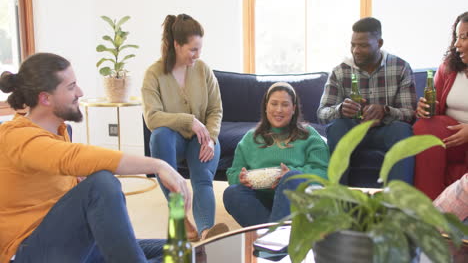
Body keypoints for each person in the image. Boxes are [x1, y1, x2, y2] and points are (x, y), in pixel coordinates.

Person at [0, 53, 192, 263]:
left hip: (75, 244)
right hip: (31, 252)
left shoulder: (59, 130)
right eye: (71, 87)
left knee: (181, 254)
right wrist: (159, 165)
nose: (80, 92)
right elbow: (74, 158)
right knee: (102, 183)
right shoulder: (16, 136)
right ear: (45, 98)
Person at [141, 14, 226, 241]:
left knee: (201, 177)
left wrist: (210, 138)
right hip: (173, 141)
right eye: (192, 49)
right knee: (159, 137)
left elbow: (215, 110)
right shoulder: (154, 74)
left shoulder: (203, 70)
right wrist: (189, 121)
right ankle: (179, 217)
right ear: (177, 45)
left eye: (199, 49)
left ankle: (206, 231)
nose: (197, 55)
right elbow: (152, 117)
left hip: (203, 139)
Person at [317, 17, 417, 185]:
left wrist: (385, 111)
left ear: (379, 43)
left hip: (385, 130)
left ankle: (397, 205)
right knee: (337, 127)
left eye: (363, 45)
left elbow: (410, 114)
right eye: (353, 44)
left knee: (402, 130)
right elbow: (322, 113)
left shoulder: (400, 68)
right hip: (351, 131)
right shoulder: (339, 71)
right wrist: (340, 110)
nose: (356, 50)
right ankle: (338, 203)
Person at [223, 82, 329, 227]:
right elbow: (233, 172)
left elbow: (323, 173)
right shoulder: (250, 138)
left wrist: (293, 174)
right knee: (231, 193)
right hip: (261, 202)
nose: (279, 110)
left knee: (290, 177)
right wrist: (240, 178)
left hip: (298, 200)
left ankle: (269, 237)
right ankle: (276, 234)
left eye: (285, 105)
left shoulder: (309, 135)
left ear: (293, 109)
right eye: (274, 104)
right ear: (266, 107)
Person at [414, 12, 468, 200]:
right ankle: (430, 208)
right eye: (456, 37)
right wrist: (424, 109)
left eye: (464, 37)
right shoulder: (449, 67)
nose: (456, 44)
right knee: (423, 126)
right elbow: (434, 108)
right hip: (453, 137)